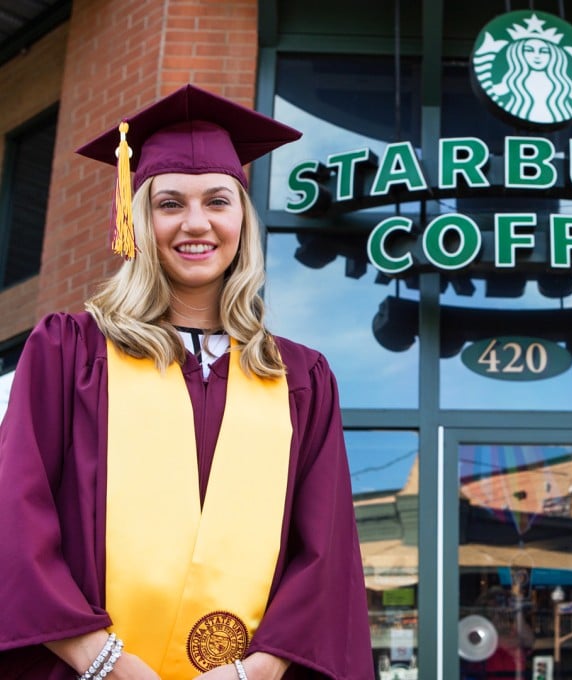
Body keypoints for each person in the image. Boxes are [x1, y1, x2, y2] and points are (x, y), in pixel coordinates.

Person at [0, 85, 374, 679]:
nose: (195, 224)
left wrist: (251, 672)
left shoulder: (299, 378)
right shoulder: (70, 352)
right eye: (169, 203)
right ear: (139, 219)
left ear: (242, 220)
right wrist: (104, 662)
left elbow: (323, 553)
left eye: (217, 202)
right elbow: (15, 519)